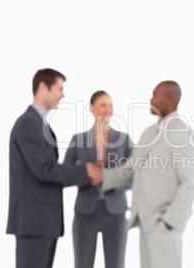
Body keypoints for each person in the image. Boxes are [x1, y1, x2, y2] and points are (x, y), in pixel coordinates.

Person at [6, 68, 103, 268]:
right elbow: (44, 169)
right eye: (59, 88)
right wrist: (85, 171)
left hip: (42, 222)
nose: (63, 94)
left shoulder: (39, 124)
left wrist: (87, 173)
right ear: (43, 87)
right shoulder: (28, 124)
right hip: (34, 222)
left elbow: (48, 174)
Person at [100, 81, 194, 268]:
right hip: (145, 223)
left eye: (155, 95)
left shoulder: (180, 131)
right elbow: (130, 171)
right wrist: (102, 177)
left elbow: (192, 183)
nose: (151, 99)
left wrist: (169, 221)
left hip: (164, 225)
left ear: (170, 99)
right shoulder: (148, 133)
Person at [64, 90, 132, 268]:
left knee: (116, 264)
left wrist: (108, 178)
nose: (107, 109)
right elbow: (65, 175)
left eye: (110, 105)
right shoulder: (78, 139)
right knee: (82, 264)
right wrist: (88, 176)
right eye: (103, 105)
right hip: (85, 213)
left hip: (116, 213)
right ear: (92, 109)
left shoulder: (124, 140)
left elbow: (134, 175)